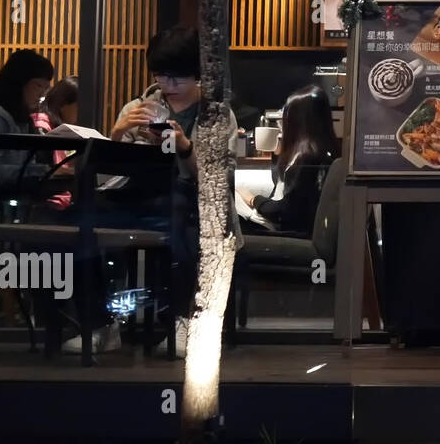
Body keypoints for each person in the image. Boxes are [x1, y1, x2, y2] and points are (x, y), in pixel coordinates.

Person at [70, 26, 237, 356]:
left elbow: (218, 180)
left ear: (198, 74)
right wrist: (117, 135)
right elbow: (107, 173)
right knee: (81, 218)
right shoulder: (140, 107)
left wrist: (185, 146)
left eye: (179, 78)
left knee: (183, 212)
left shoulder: (217, 115)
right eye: (161, 76)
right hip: (137, 197)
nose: (168, 87)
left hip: (191, 204)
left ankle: (184, 320)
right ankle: (101, 324)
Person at [238, 84, 339, 237]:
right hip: (277, 223)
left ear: (298, 120)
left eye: (287, 115)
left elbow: (287, 211)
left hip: (286, 231)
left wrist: (253, 200)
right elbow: (281, 191)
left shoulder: (309, 159)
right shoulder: (307, 153)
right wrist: (279, 153)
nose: (282, 120)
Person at [0, 49, 55, 221]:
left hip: (5, 210)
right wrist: (44, 172)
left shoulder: (21, 121)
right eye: (38, 86)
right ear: (19, 83)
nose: (42, 95)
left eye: (46, 88)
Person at [29, 76, 80, 211]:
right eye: (80, 106)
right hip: (43, 205)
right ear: (64, 104)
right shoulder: (40, 126)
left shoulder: (63, 129)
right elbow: (46, 169)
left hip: (58, 200)